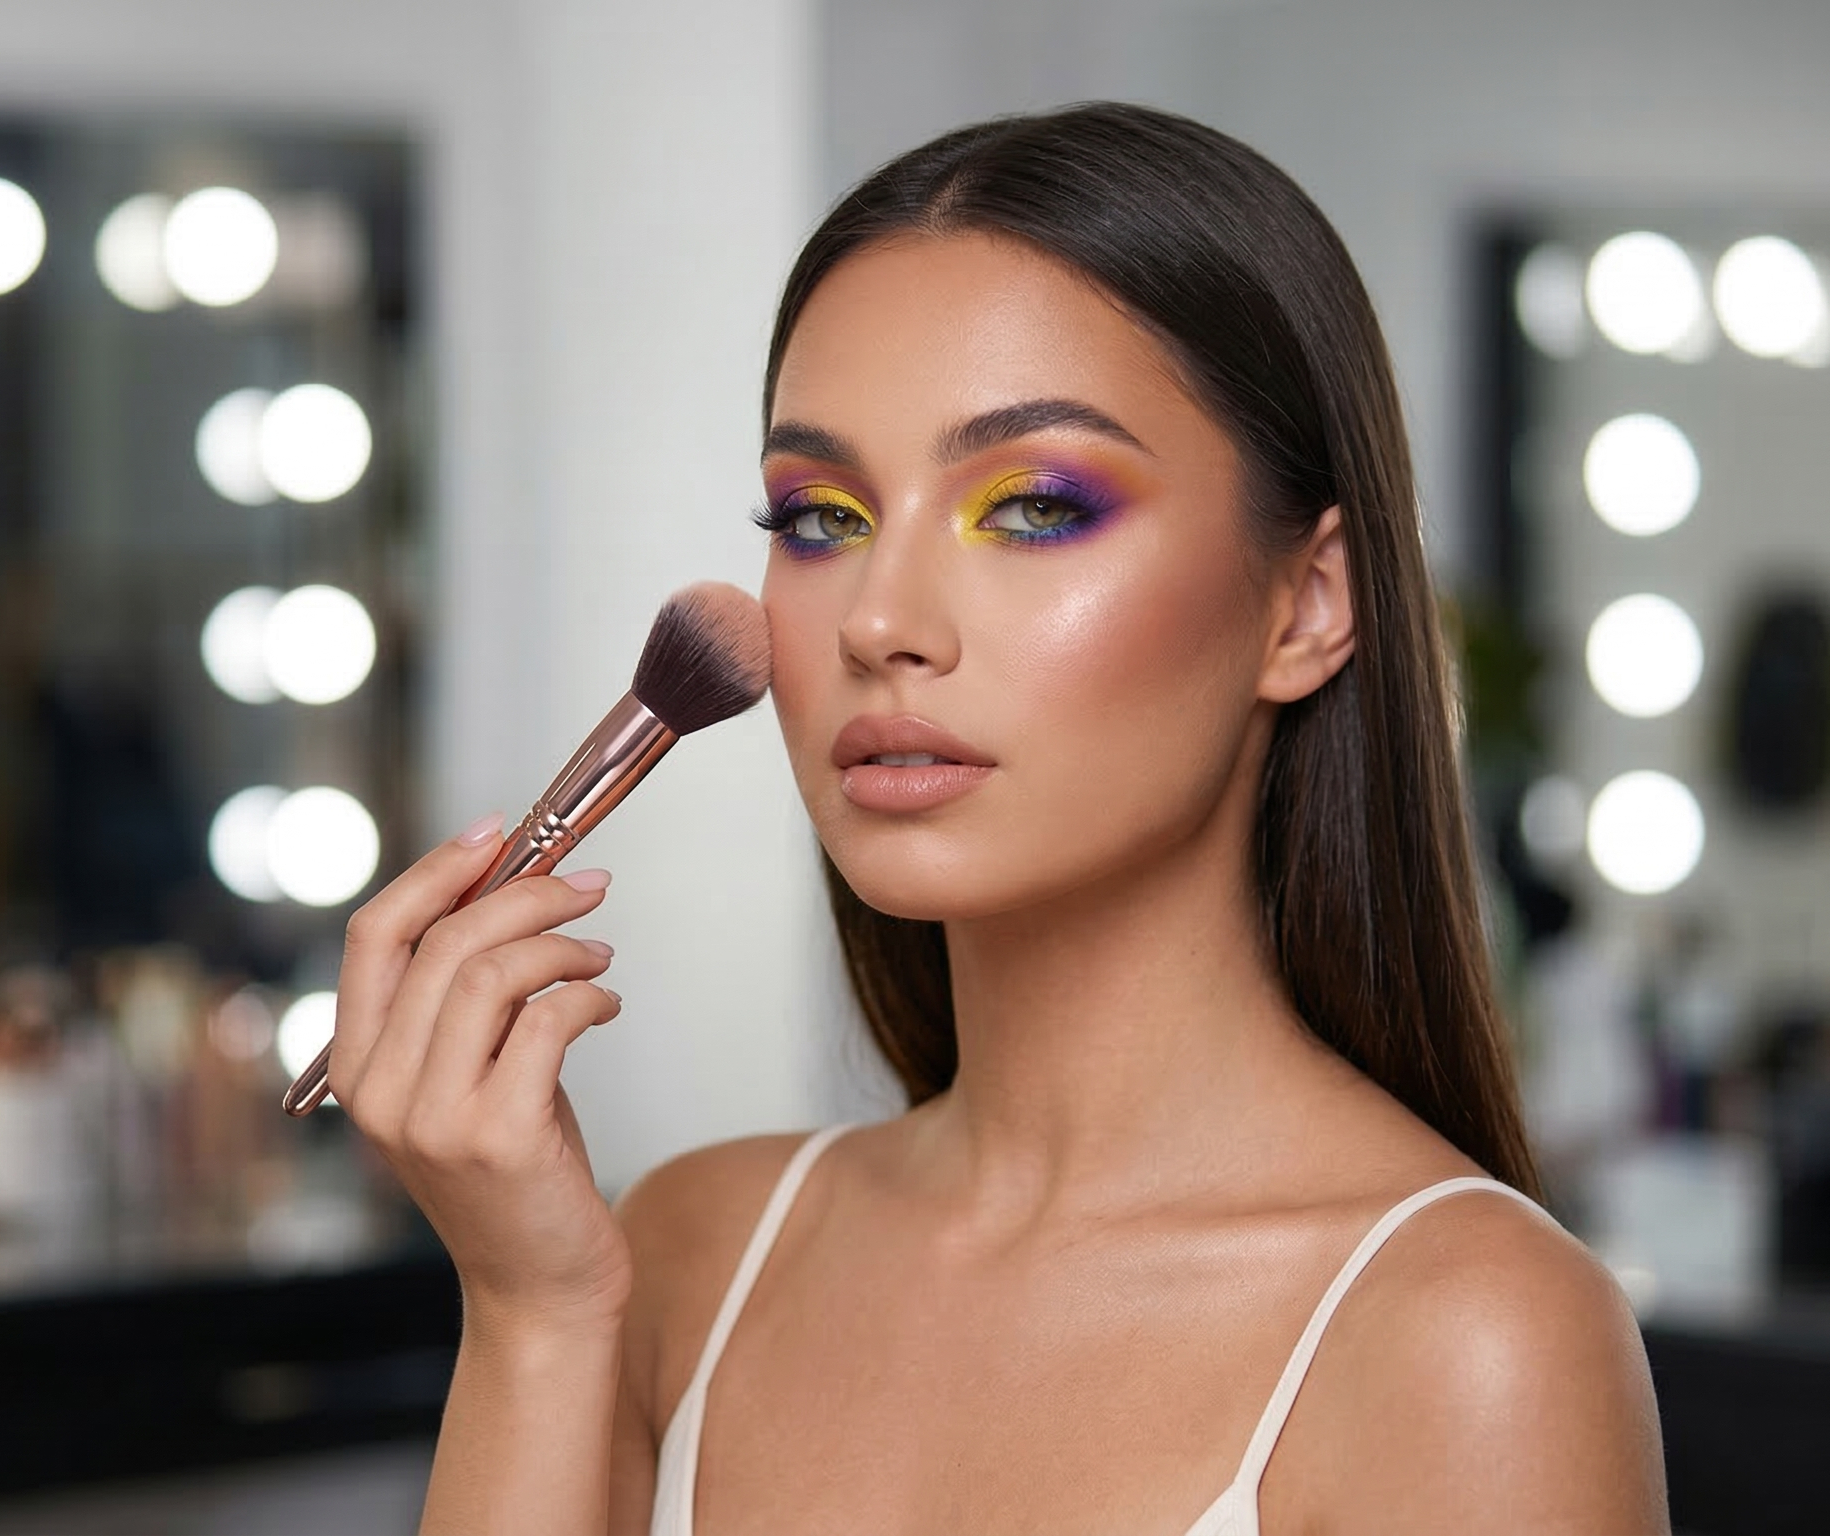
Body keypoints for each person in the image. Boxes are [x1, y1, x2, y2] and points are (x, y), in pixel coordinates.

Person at [327, 103, 1670, 1535]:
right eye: (821, 518)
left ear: (1308, 603)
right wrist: (531, 1310)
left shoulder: (1468, 1341)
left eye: (1033, 507)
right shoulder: (681, 1255)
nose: (883, 622)